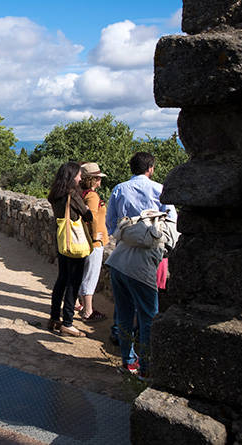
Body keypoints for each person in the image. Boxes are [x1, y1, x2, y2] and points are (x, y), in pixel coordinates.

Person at [105, 151, 178, 378]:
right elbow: (173, 226)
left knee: (125, 315)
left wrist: (127, 237)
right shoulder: (160, 190)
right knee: (148, 318)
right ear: (151, 168)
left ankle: (128, 362)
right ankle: (145, 369)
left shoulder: (119, 189)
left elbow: (110, 223)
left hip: (118, 259)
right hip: (146, 262)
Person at [47, 161, 93, 338]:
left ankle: (54, 317)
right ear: (72, 176)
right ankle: (67, 322)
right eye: (79, 175)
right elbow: (87, 215)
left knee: (62, 279)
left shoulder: (56, 194)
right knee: (74, 281)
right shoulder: (72, 193)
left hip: (62, 241)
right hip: (74, 243)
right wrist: (87, 209)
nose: (80, 178)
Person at [77, 162, 108, 323]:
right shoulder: (92, 195)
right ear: (92, 179)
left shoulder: (79, 193)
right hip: (93, 242)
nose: (100, 181)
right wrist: (96, 236)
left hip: (82, 239)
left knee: (82, 273)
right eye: (98, 178)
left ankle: (78, 304)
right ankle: (88, 311)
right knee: (91, 275)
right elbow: (92, 217)